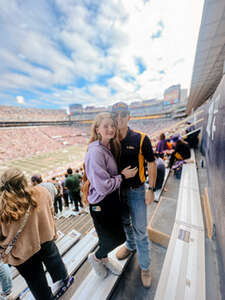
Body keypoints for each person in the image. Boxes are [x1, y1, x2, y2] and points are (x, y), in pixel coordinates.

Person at [0, 168, 73, 300]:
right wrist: (53, 232)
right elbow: (51, 213)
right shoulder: (42, 192)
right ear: (23, 180)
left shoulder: (2, 206)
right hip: (44, 237)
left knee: (35, 280)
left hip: (20, 253)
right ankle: (64, 279)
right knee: (54, 260)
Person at [85, 112, 137, 279]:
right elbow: (102, 186)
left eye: (112, 125)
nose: (110, 129)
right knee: (117, 238)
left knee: (107, 237)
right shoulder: (95, 152)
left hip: (109, 201)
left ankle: (105, 259)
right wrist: (122, 176)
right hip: (101, 203)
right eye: (105, 125)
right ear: (97, 129)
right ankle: (96, 257)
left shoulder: (106, 146)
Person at [112, 102, 157, 288]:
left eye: (123, 114)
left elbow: (152, 163)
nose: (119, 118)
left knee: (140, 230)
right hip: (117, 191)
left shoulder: (141, 138)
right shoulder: (110, 139)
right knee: (124, 224)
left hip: (136, 191)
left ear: (129, 116)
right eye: (116, 114)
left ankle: (145, 267)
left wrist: (151, 188)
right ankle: (130, 246)